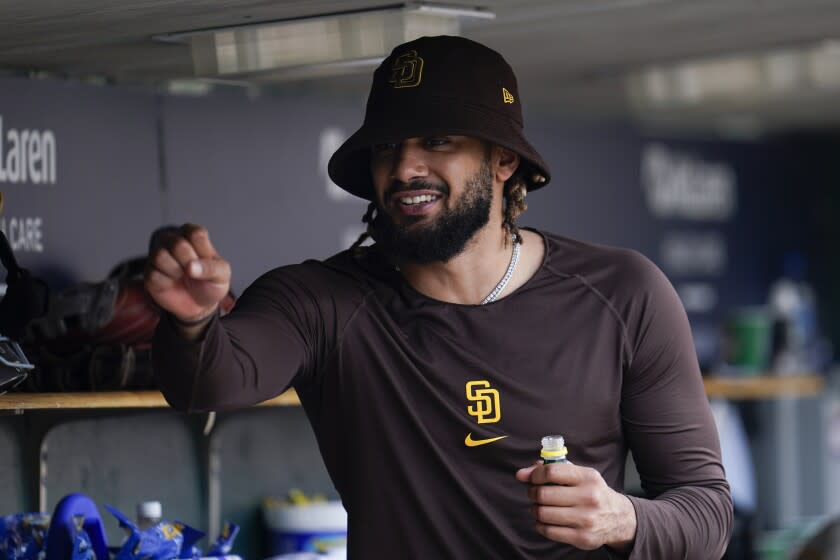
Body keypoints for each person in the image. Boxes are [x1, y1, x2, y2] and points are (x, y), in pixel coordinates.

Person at [146, 36, 733, 559]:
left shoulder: (623, 293)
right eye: (387, 147)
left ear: (504, 160)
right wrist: (195, 321)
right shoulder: (323, 300)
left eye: (437, 141)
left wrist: (622, 518)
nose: (405, 167)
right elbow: (208, 381)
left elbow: (707, 514)